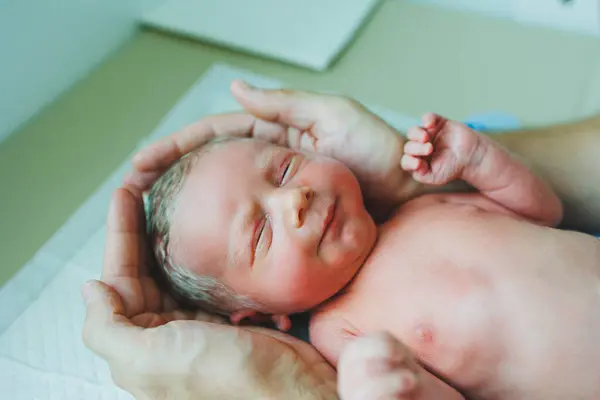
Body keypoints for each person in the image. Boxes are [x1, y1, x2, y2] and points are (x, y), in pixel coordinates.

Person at [82, 81, 600, 399]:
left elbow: (546, 213)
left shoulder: (421, 204)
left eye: (284, 170)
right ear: (261, 315)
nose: (294, 201)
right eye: (261, 233)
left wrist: (481, 162)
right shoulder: (339, 334)